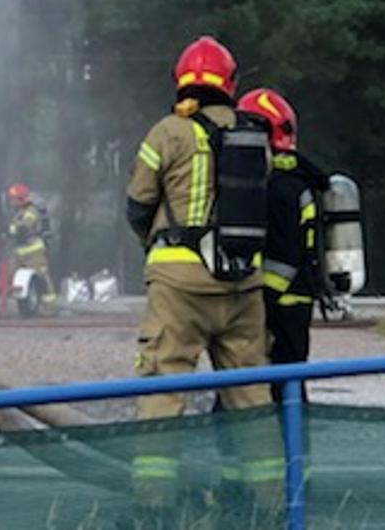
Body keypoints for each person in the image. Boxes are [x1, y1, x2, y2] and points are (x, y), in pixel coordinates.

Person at [125, 35, 281, 506]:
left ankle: (154, 506)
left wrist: (157, 244)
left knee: (164, 390)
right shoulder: (255, 137)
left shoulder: (167, 132)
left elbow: (138, 204)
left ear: (180, 80)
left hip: (178, 287)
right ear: (230, 83)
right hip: (242, 285)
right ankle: (270, 505)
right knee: (251, 398)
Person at [238, 87, 328, 401]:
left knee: (278, 386)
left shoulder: (279, 187)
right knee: (288, 383)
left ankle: (288, 432)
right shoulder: (296, 179)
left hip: (283, 303)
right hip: (294, 299)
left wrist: (261, 300)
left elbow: (284, 256)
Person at [4, 183, 55, 311]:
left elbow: (24, 228)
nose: (11, 202)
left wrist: (9, 229)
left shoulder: (30, 212)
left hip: (33, 252)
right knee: (11, 277)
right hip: (20, 252)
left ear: (21, 199)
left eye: (13, 199)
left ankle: (49, 308)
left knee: (42, 278)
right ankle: (30, 304)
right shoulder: (19, 212)